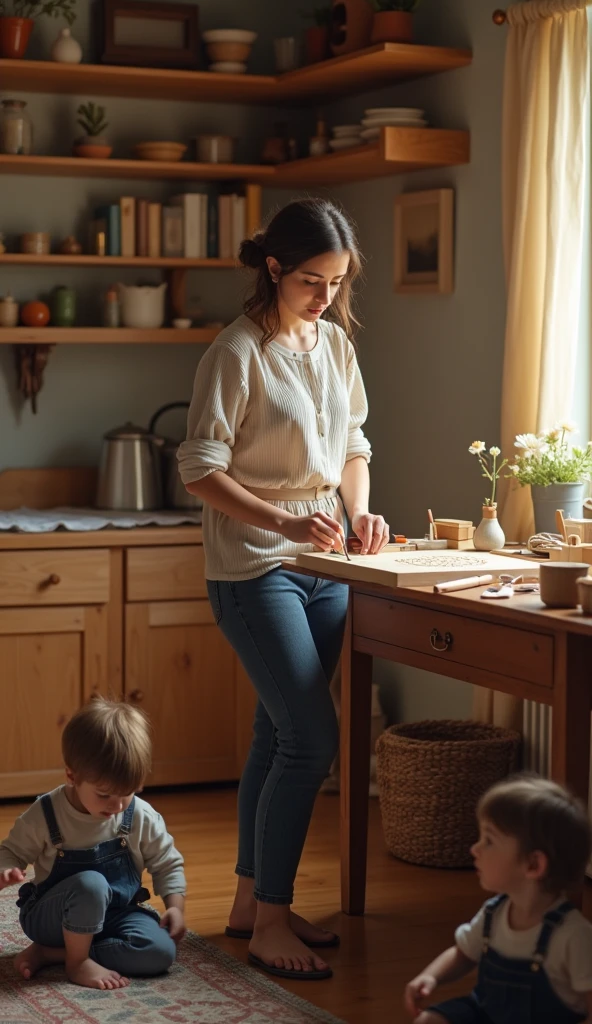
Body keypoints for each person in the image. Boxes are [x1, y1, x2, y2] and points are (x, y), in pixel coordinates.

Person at [177, 197, 389, 981]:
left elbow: (355, 444)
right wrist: (286, 522)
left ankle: (249, 905)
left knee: (277, 735)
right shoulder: (236, 353)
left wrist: (359, 514)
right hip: (255, 567)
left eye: (336, 282)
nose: (325, 296)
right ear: (274, 268)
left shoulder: (335, 345)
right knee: (311, 739)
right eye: (311, 281)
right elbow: (199, 467)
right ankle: (272, 920)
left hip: (326, 567)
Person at [0, 697, 186, 990]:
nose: (117, 805)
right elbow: (9, 851)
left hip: (113, 917)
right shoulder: (47, 814)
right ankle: (77, 963)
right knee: (91, 884)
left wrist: (175, 907)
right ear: (72, 776)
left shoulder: (139, 815)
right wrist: (6, 869)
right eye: (104, 794)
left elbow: (167, 862)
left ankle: (51, 955)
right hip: (53, 920)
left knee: (160, 952)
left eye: (128, 793)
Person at [405, 774, 592, 1023]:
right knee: (429, 1021)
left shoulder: (573, 936)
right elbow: (463, 954)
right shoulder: (493, 913)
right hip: (485, 1012)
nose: (475, 849)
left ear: (533, 864)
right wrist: (431, 976)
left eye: (489, 840)